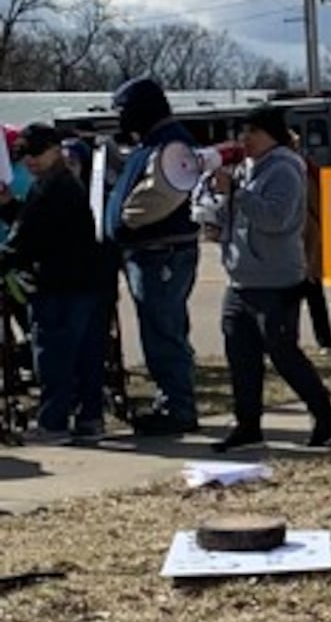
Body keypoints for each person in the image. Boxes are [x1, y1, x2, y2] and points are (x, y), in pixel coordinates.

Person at [210, 106, 331, 451]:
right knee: (240, 354)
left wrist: (237, 194)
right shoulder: (246, 167)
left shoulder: (285, 169)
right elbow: (240, 215)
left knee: (282, 352)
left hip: (276, 280)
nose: (245, 139)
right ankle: (247, 425)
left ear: (272, 134)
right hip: (241, 278)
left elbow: (276, 219)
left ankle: (324, 412)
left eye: (252, 132)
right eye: (243, 132)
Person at [0, 125, 111, 444]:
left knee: (54, 357)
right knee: (86, 356)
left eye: (36, 152)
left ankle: (53, 423)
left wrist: (7, 257)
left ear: (54, 149)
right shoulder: (65, 185)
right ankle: (90, 418)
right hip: (86, 282)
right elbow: (35, 226)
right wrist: (9, 207)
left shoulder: (50, 189)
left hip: (58, 284)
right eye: (23, 155)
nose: (29, 160)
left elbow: (26, 236)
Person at [104, 77, 202, 436]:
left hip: (161, 253)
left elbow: (162, 194)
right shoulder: (153, 143)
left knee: (164, 331)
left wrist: (124, 222)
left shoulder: (171, 145)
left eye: (123, 111)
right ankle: (172, 402)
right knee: (163, 329)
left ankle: (177, 408)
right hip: (153, 253)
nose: (120, 119)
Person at [290, 131, 331, 354]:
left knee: (314, 293)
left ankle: (325, 341)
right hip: (288, 243)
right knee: (289, 299)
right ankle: (289, 343)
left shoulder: (308, 170)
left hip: (310, 238)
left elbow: (321, 202)